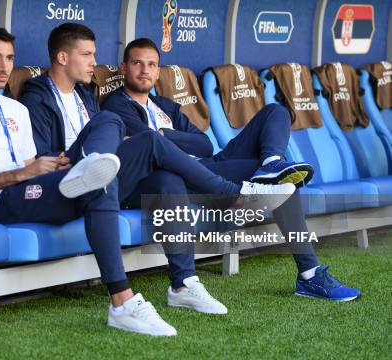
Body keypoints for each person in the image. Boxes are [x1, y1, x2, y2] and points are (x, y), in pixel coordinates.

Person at [0, 25, 177, 337]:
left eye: (9, 58)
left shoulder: (15, 109)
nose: (5, 66)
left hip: (29, 189)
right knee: (98, 182)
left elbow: (30, 164)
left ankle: (167, 287)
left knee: (107, 148)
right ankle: (122, 302)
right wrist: (23, 174)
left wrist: (53, 165)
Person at [101, 37, 361, 302]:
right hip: (175, 180)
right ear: (124, 68)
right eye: (137, 63)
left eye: (152, 64)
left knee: (275, 116)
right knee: (276, 184)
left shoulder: (165, 106)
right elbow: (151, 146)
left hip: (208, 166)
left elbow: (202, 144)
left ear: (158, 71)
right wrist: (163, 137)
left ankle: (272, 165)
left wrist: (163, 132)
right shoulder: (116, 105)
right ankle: (308, 271)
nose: (145, 70)